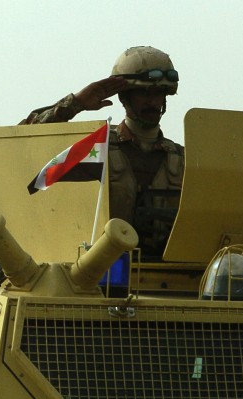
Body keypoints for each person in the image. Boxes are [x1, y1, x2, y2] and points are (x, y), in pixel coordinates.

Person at [20, 46, 185, 258]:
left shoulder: (182, 160)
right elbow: (22, 145)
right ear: (124, 97)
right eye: (144, 93)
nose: (152, 101)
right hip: (99, 268)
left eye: (158, 93)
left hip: (168, 270)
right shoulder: (98, 148)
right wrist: (75, 104)